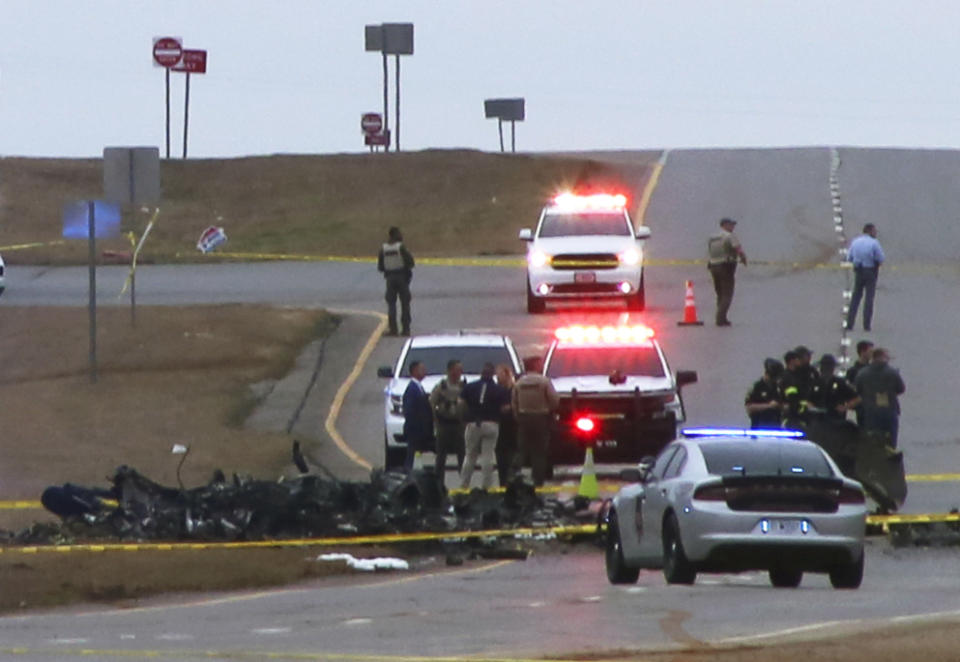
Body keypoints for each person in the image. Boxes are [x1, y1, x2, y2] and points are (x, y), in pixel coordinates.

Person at [458, 363, 509, 490]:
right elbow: (505, 409)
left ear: (481, 373)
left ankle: (464, 485)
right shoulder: (500, 390)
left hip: (473, 423)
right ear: (493, 375)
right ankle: (487, 487)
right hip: (491, 423)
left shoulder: (469, 387)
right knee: (488, 456)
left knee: (470, 456)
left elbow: (460, 403)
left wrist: (464, 417)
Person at [511, 356, 560, 487]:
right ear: (535, 366)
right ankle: (538, 481)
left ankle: (513, 474)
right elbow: (555, 401)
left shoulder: (519, 383)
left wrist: (519, 416)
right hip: (541, 418)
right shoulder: (544, 382)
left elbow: (514, 403)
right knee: (539, 452)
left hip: (523, 418)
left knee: (521, 449)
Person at [854, 347, 905, 447]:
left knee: (872, 439)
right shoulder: (892, 373)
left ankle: (874, 458)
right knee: (891, 440)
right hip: (889, 410)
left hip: (870, 411)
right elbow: (901, 389)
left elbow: (858, 389)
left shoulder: (862, 373)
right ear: (883, 357)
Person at [429, 359, 466, 486]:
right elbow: (432, 403)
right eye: (456, 370)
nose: (459, 373)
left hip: (460, 426)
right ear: (450, 371)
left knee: (462, 456)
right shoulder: (441, 387)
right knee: (440, 458)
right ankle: (438, 486)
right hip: (444, 425)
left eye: (460, 370)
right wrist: (436, 420)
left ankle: (464, 485)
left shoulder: (464, 387)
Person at [706, 217, 747, 327]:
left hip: (713, 266)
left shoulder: (712, 237)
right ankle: (720, 319)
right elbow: (738, 249)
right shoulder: (730, 236)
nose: (733, 227)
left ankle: (722, 317)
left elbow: (710, 251)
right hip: (726, 267)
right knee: (727, 294)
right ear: (724, 225)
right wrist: (744, 259)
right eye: (731, 224)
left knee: (720, 293)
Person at [844, 223, 885, 332]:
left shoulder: (855, 242)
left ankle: (849, 323)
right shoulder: (874, 243)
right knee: (869, 298)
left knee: (856, 297)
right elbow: (881, 258)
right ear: (870, 231)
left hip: (859, 270)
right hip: (870, 270)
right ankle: (866, 325)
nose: (876, 233)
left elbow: (849, 257)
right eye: (874, 231)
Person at [377, 226, 415, 336]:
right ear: (395, 235)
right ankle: (406, 329)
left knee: (391, 304)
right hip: (402, 277)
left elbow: (380, 267)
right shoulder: (401, 248)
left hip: (389, 278)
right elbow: (411, 262)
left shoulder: (383, 249)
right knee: (405, 304)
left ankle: (393, 329)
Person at [401, 360, 434, 471]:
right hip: (415, 430)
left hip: (420, 431)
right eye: (422, 369)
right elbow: (409, 411)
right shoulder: (412, 389)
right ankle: (408, 475)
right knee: (411, 456)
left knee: (415, 455)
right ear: (415, 371)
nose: (425, 371)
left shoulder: (418, 388)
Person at [811, 354, 860, 423]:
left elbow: (857, 398)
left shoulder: (840, 382)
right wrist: (811, 408)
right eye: (825, 366)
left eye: (829, 366)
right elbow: (807, 399)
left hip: (836, 420)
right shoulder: (815, 383)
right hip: (818, 420)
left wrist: (845, 407)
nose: (826, 369)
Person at [494, 364, 518, 488]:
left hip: (512, 425)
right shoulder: (496, 390)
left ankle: (512, 480)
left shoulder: (514, 389)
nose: (498, 378)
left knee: (512, 454)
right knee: (501, 456)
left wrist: (511, 408)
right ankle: (503, 482)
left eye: (500, 375)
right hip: (499, 426)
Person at [779, 350, 815, 429]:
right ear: (792, 361)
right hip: (791, 418)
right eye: (797, 359)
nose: (800, 361)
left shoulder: (796, 376)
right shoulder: (787, 377)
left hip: (798, 416)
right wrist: (805, 404)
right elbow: (792, 398)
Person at [745, 358, 783, 429]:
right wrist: (769, 406)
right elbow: (749, 408)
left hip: (776, 427)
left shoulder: (778, 388)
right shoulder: (757, 387)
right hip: (759, 426)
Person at [845, 340, 874, 425]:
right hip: (861, 406)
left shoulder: (873, 369)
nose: (872, 354)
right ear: (862, 352)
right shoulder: (853, 371)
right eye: (870, 351)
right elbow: (850, 388)